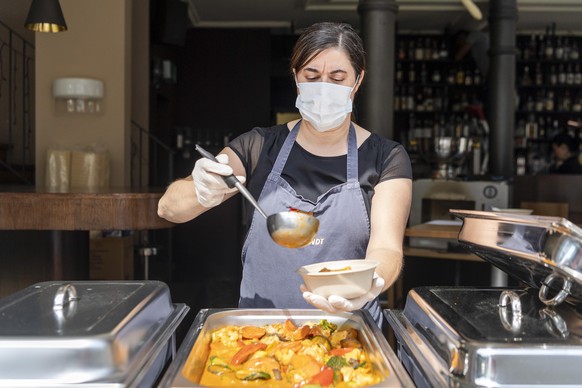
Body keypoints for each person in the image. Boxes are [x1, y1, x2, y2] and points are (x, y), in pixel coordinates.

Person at [157, 22, 413, 326]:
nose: (323, 87)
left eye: (337, 77)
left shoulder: (386, 157)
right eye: (312, 75)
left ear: (358, 81)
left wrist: (374, 282)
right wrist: (202, 189)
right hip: (259, 333)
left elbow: (387, 248)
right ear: (295, 77)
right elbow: (168, 208)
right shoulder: (259, 145)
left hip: (347, 329)